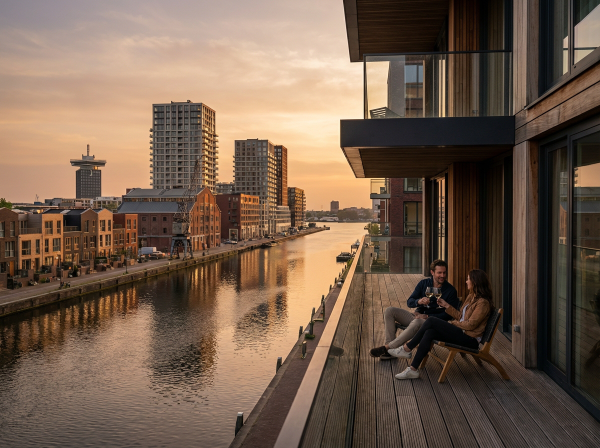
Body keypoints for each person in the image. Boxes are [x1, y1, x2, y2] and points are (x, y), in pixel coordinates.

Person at [394, 269, 494, 379]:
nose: (466, 281)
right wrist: (447, 305)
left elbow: (471, 325)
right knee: (430, 332)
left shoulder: (483, 303)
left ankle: (407, 348)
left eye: (468, 279)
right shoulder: (471, 297)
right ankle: (413, 369)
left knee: (431, 320)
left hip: (470, 339)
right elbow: (461, 316)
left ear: (475, 282)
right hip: (461, 332)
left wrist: (453, 323)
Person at [370, 259, 459, 360]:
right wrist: (419, 301)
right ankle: (391, 351)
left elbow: (448, 315)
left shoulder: (450, 290)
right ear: (432, 272)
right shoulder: (423, 283)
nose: (442, 275)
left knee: (417, 321)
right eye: (439, 273)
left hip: (432, 324)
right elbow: (410, 302)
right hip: (418, 317)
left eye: (444, 272)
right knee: (389, 311)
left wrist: (427, 316)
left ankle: (387, 348)